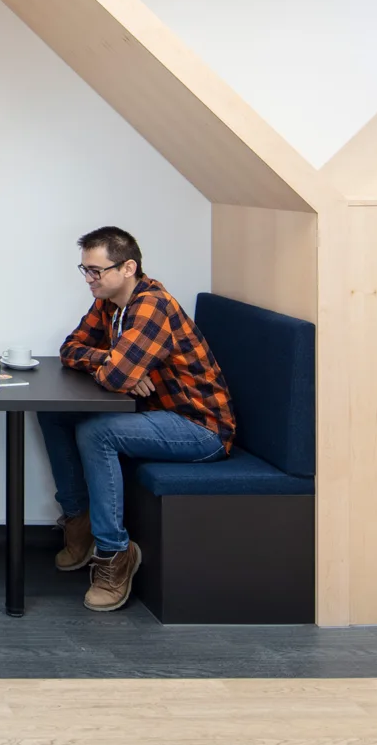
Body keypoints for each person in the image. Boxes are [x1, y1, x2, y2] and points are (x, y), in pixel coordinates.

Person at [38, 227, 234, 613]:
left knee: (97, 432)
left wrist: (116, 368)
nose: (90, 279)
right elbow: (70, 348)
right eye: (85, 270)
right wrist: (108, 361)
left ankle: (114, 554)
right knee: (53, 411)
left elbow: (115, 379)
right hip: (156, 415)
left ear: (128, 267)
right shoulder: (110, 301)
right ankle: (80, 521)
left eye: (97, 271)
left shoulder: (151, 306)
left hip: (198, 428)